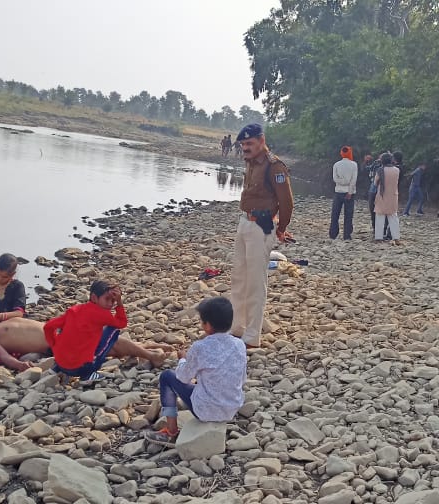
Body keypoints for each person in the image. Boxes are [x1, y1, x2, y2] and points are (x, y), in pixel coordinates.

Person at [144, 297, 246, 446]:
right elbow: (241, 378)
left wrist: (182, 359)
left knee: (167, 377)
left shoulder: (200, 347)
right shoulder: (240, 344)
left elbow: (183, 377)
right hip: (232, 407)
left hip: (206, 411)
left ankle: (171, 432)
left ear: (207, 325)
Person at [231, 123, 294, 348]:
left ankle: (252, 336)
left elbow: (287, 202)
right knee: (239, 278)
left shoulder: (274, 166)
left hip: (262, 226)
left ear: (261, 141)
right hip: (245, 221)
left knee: (256, 282)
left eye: (249, 143)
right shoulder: (250, 162)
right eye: (243, 144)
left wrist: (281, 228)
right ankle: (236, 327)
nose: (246, 148)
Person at [44, 280, 168, 384]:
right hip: (79, 370)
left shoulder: (74, 310)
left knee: (76, 335)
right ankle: (88, 375)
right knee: (113, 330)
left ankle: (56, 368)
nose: (110, 304)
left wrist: (55, 345)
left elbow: (48, 327)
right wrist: (119, 303)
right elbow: (122, 323)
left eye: (113, 301)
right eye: (107, 299)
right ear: (94, 298)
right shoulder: (102, 314)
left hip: (60, 362)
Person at [329, 146, 358, 240]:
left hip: (338, 191)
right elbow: (354, 180)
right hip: (349, 192)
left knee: (335, 213)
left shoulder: (336, 164)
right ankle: (347, 235)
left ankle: (333, 234)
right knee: (348, 215)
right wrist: (350, 191)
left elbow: (335, 178)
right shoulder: (354, 165)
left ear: (341, 153)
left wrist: (342, 181)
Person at [373, 152, 402, 244]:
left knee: (380, 216)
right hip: (393, 195)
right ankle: (396, 238)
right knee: (393, 216)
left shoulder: (380, 170)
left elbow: (375, 183)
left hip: (382, 195)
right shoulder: (397, 170)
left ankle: (378, 237)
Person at [364, 154, 379, 232]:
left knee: (374, 208)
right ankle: (376, 227)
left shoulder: (377, 165)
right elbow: (367, 169)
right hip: (374, 188)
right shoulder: (375, 164)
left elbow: (367, 169)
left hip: (374, 188)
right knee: (374, 209)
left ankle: (377, 227)